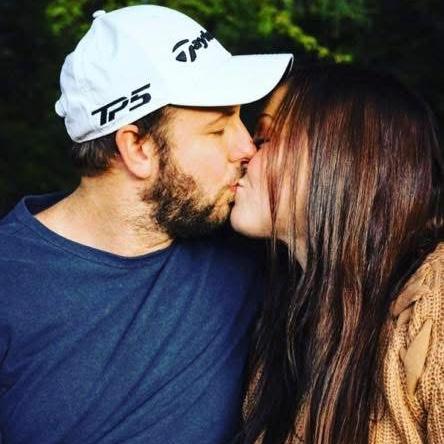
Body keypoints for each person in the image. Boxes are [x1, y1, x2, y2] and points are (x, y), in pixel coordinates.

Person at [0, 5, 293, 443]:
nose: (247, 147)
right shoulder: (10, 283)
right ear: (137, 148)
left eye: (240, 118)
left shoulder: (249, 245)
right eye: (217, 130)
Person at [231, 64, 444, 444]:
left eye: (264, 137)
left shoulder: (435, 299)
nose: (245, 152)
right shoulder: (284, 324)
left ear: (346, 156)